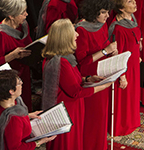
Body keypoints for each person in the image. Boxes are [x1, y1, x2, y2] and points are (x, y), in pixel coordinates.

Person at [42, 19, 113, 149]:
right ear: (65, 37)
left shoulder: (64, 57)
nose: (77, 35)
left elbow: (70, 80)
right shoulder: (61, 62)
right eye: (73, 32)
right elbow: (75, 92)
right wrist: (103, 86)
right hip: (66, 111)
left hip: (71, 107)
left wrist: (88, 79)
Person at [75, 0, 118, 150]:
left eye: (108, 12)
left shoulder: (102, 24)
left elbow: (106, 42)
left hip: (103, 73)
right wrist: (105, 52)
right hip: (89, 77)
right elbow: (81, 63)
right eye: (103, 12)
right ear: (94, 12)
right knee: (92, 117)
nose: (107, 16)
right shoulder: (81, 30)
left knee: (101, 116)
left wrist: (113, 51)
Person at [0, 0, 33, 110]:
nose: (26, 15)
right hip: (12, 80)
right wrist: (13, 55)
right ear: (11, 16)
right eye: (22, 13)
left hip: (25, 71)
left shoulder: (23, 24)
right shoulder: (1, 34)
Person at [0, 69, 55, 150]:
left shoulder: (0, 100)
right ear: (11, 91)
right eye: (19, 83)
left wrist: (28, 116)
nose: (22, 83)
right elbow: (16, 148)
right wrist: (40, 142)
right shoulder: (13, 119)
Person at [108, 0, 141, 136]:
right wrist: (122, 76)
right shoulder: (119, 28)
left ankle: (132, 122)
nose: (134, 2)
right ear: (121, 8)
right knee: (124, 98)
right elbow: (118, 54)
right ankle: (122, 126)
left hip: (133, 63)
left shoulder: (132, 19)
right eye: (129, 1)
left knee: (133, 96)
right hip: (124, 69)